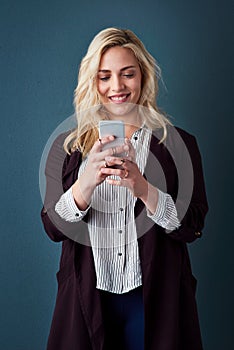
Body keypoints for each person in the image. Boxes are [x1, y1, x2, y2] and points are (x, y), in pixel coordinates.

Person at [41, 27, 208, 350]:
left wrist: (143, 187)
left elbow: (192, 226)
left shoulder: (180, 145)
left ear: (143, 77)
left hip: (155, 300)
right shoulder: (66, 148)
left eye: (127, 74)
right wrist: (85, 184)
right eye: (104, 77)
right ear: (93, 82)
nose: (116, 87)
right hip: (87, 298)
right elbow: (52, 227)